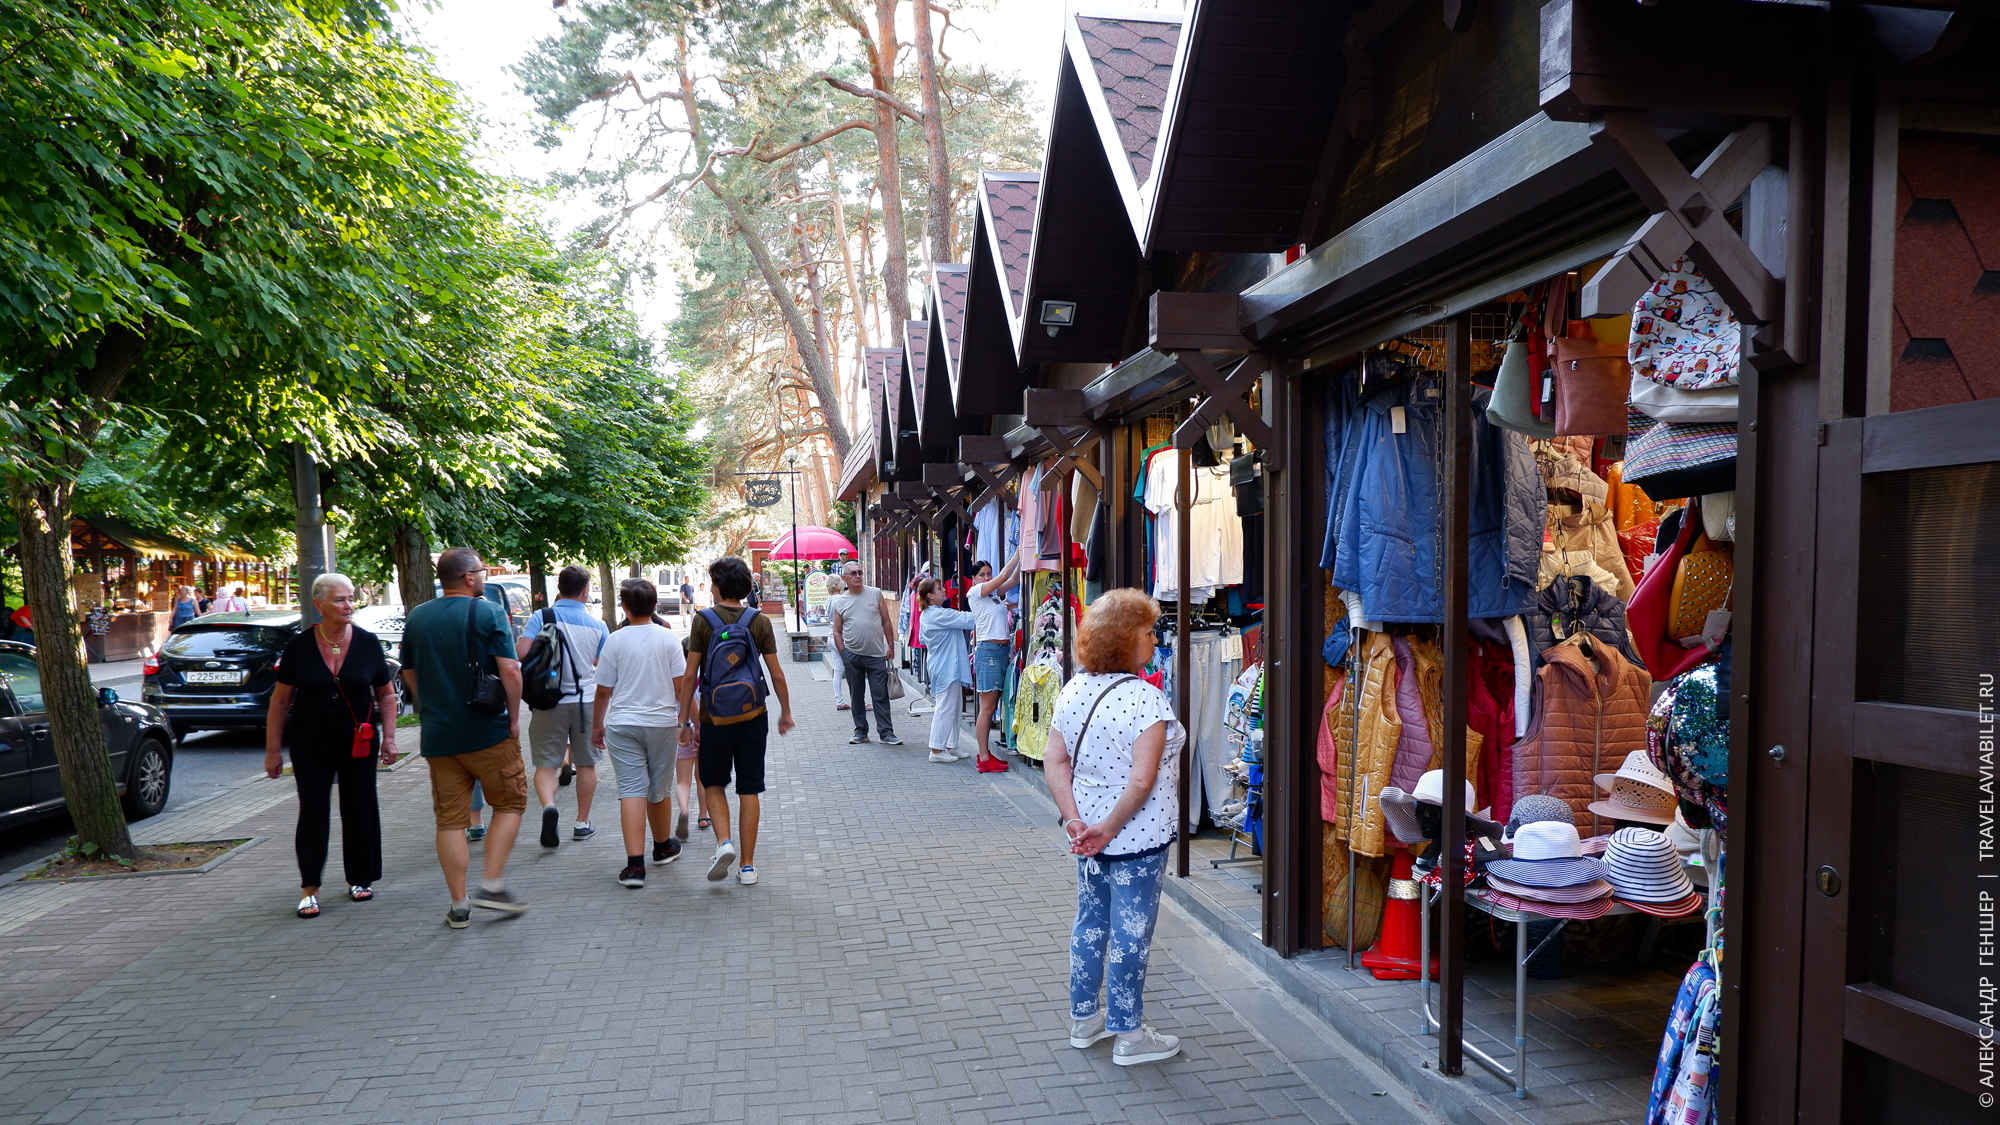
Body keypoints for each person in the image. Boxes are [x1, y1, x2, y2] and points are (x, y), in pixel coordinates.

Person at [1046, 588, 1187, 1067]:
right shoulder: (1147, 699)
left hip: (1087, 839)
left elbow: (1055, 760)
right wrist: (1106, 827)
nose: (1154, 639)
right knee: (1130, 933)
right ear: (1127, 640)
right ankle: (1128, 1033)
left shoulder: (1073, 689)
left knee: (1090, 923)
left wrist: (1076, 822)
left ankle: (1084, 1019)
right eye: (1148, 632)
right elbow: (1143, 779)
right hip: (1137, 840)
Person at [398, 548, 530, 928]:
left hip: (439, 737)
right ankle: (491, 884)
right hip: (487, 732)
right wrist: (515, 720)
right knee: (510, 802)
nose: (485, 576)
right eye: (482, 571)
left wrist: (432, 707)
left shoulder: (418, 617)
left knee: (450, 821)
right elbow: (511, 671)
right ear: (470, 577)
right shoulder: (487, 611)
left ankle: (459, 905)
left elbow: (408, 673)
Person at [264, 573, 398, 919]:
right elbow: (280, 702)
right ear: (319, 604)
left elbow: (385, 693)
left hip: (359, 740)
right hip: (311, 741)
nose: (349, 605)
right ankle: (310, 889)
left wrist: (392, 738)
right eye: (340, 600)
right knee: (313, 809)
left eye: (351, 598)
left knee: (359, 806)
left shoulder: (368, 643)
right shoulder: (299, 646)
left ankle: (360, 878)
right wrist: (272, 749)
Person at [676, 556, 794, 886]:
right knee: (749, 788)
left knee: (713, 783)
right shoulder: (758, 620)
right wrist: (785, 712)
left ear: (718, 585)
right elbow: (777, 674)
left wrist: (684, 721)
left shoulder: (704, 620)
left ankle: (723, 842)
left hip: (714, 718)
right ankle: (747, 866)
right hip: (753, 715)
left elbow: (689, 676)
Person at [591, 578, 688, 887]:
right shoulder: (668, 638)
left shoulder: (615, 640)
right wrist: (689, 723)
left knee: (631, 789)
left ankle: (634, 867)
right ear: (655, 604)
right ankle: (662, 847)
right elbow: (681, 688)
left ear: (625, 606)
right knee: (659, 787)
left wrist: (597, 724)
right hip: (661, 724)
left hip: (623, 724)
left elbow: (604, 690)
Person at [518, 565, 611, 848]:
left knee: (546, 765)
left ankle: (549, 806)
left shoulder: (542, 616)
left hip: (549, 701)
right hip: (587, 703)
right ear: (585, 591)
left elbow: (522, 652)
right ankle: (582, 823)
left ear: (559, 588)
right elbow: (604, 666)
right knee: (586, 765)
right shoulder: (598, 625)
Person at [828, 560, 900, 746]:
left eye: (859, 572)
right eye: (853, 573)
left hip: (876, 655)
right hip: (852, 655)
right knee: (856, 696)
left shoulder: (875, 593)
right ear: (844, 578)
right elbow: (837, 630)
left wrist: (890, 646)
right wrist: (843, 653)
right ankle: (861, 732)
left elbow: (886, 621)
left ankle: (886, 733)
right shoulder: (841, 601)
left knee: (880, 695)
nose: (857, 576)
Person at [966, 551, 1023, 772]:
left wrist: (1025, 555)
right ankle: (983, 756)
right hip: (989, 652)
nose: (987, 578)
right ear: (974, 578)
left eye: (988, 573)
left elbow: (1014, 580)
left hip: (999, 651)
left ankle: (985, 755)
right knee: (987, 708)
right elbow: (1002, 579)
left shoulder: (992, 596)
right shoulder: (975, 592)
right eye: (982, 574)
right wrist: (1016, 554)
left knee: (992, 705)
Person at [915, 577, 975, 764]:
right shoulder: (937, 614)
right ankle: (937, 749)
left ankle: (950, 745)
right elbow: (967, 619)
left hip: (948, 665)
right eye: (939, 589)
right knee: (946, 708)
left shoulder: (932, 613)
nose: (944, 591)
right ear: (931, 595)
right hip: (945, 666)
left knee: (954, 707)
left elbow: (924, 640)